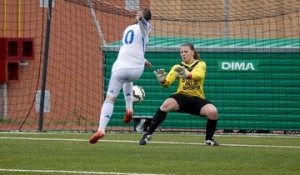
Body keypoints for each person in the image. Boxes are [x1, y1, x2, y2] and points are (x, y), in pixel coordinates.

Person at [89, 8, 152, 144]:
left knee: (110, 99)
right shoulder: (146, 28)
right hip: (136, 69)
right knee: (128, 80)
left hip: (120, 67)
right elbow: (143, 32)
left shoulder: (128, 28)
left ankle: (101, 129)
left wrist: (140, 19)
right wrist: (144, 60)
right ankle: (129, 108)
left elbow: (130, 47)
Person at [139, 42, 220, 146]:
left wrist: (187, 75)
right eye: (181, 52)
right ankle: (147, 135)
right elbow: (167, 84)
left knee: (213, 112)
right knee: (166, 105)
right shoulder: (177, 67)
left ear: (192, 52)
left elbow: (199, 75)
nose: (183, 54)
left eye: (186, 51)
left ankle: (209, 139)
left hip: (197, 98)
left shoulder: (201, 64)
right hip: (181, 96)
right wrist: (162, 80)